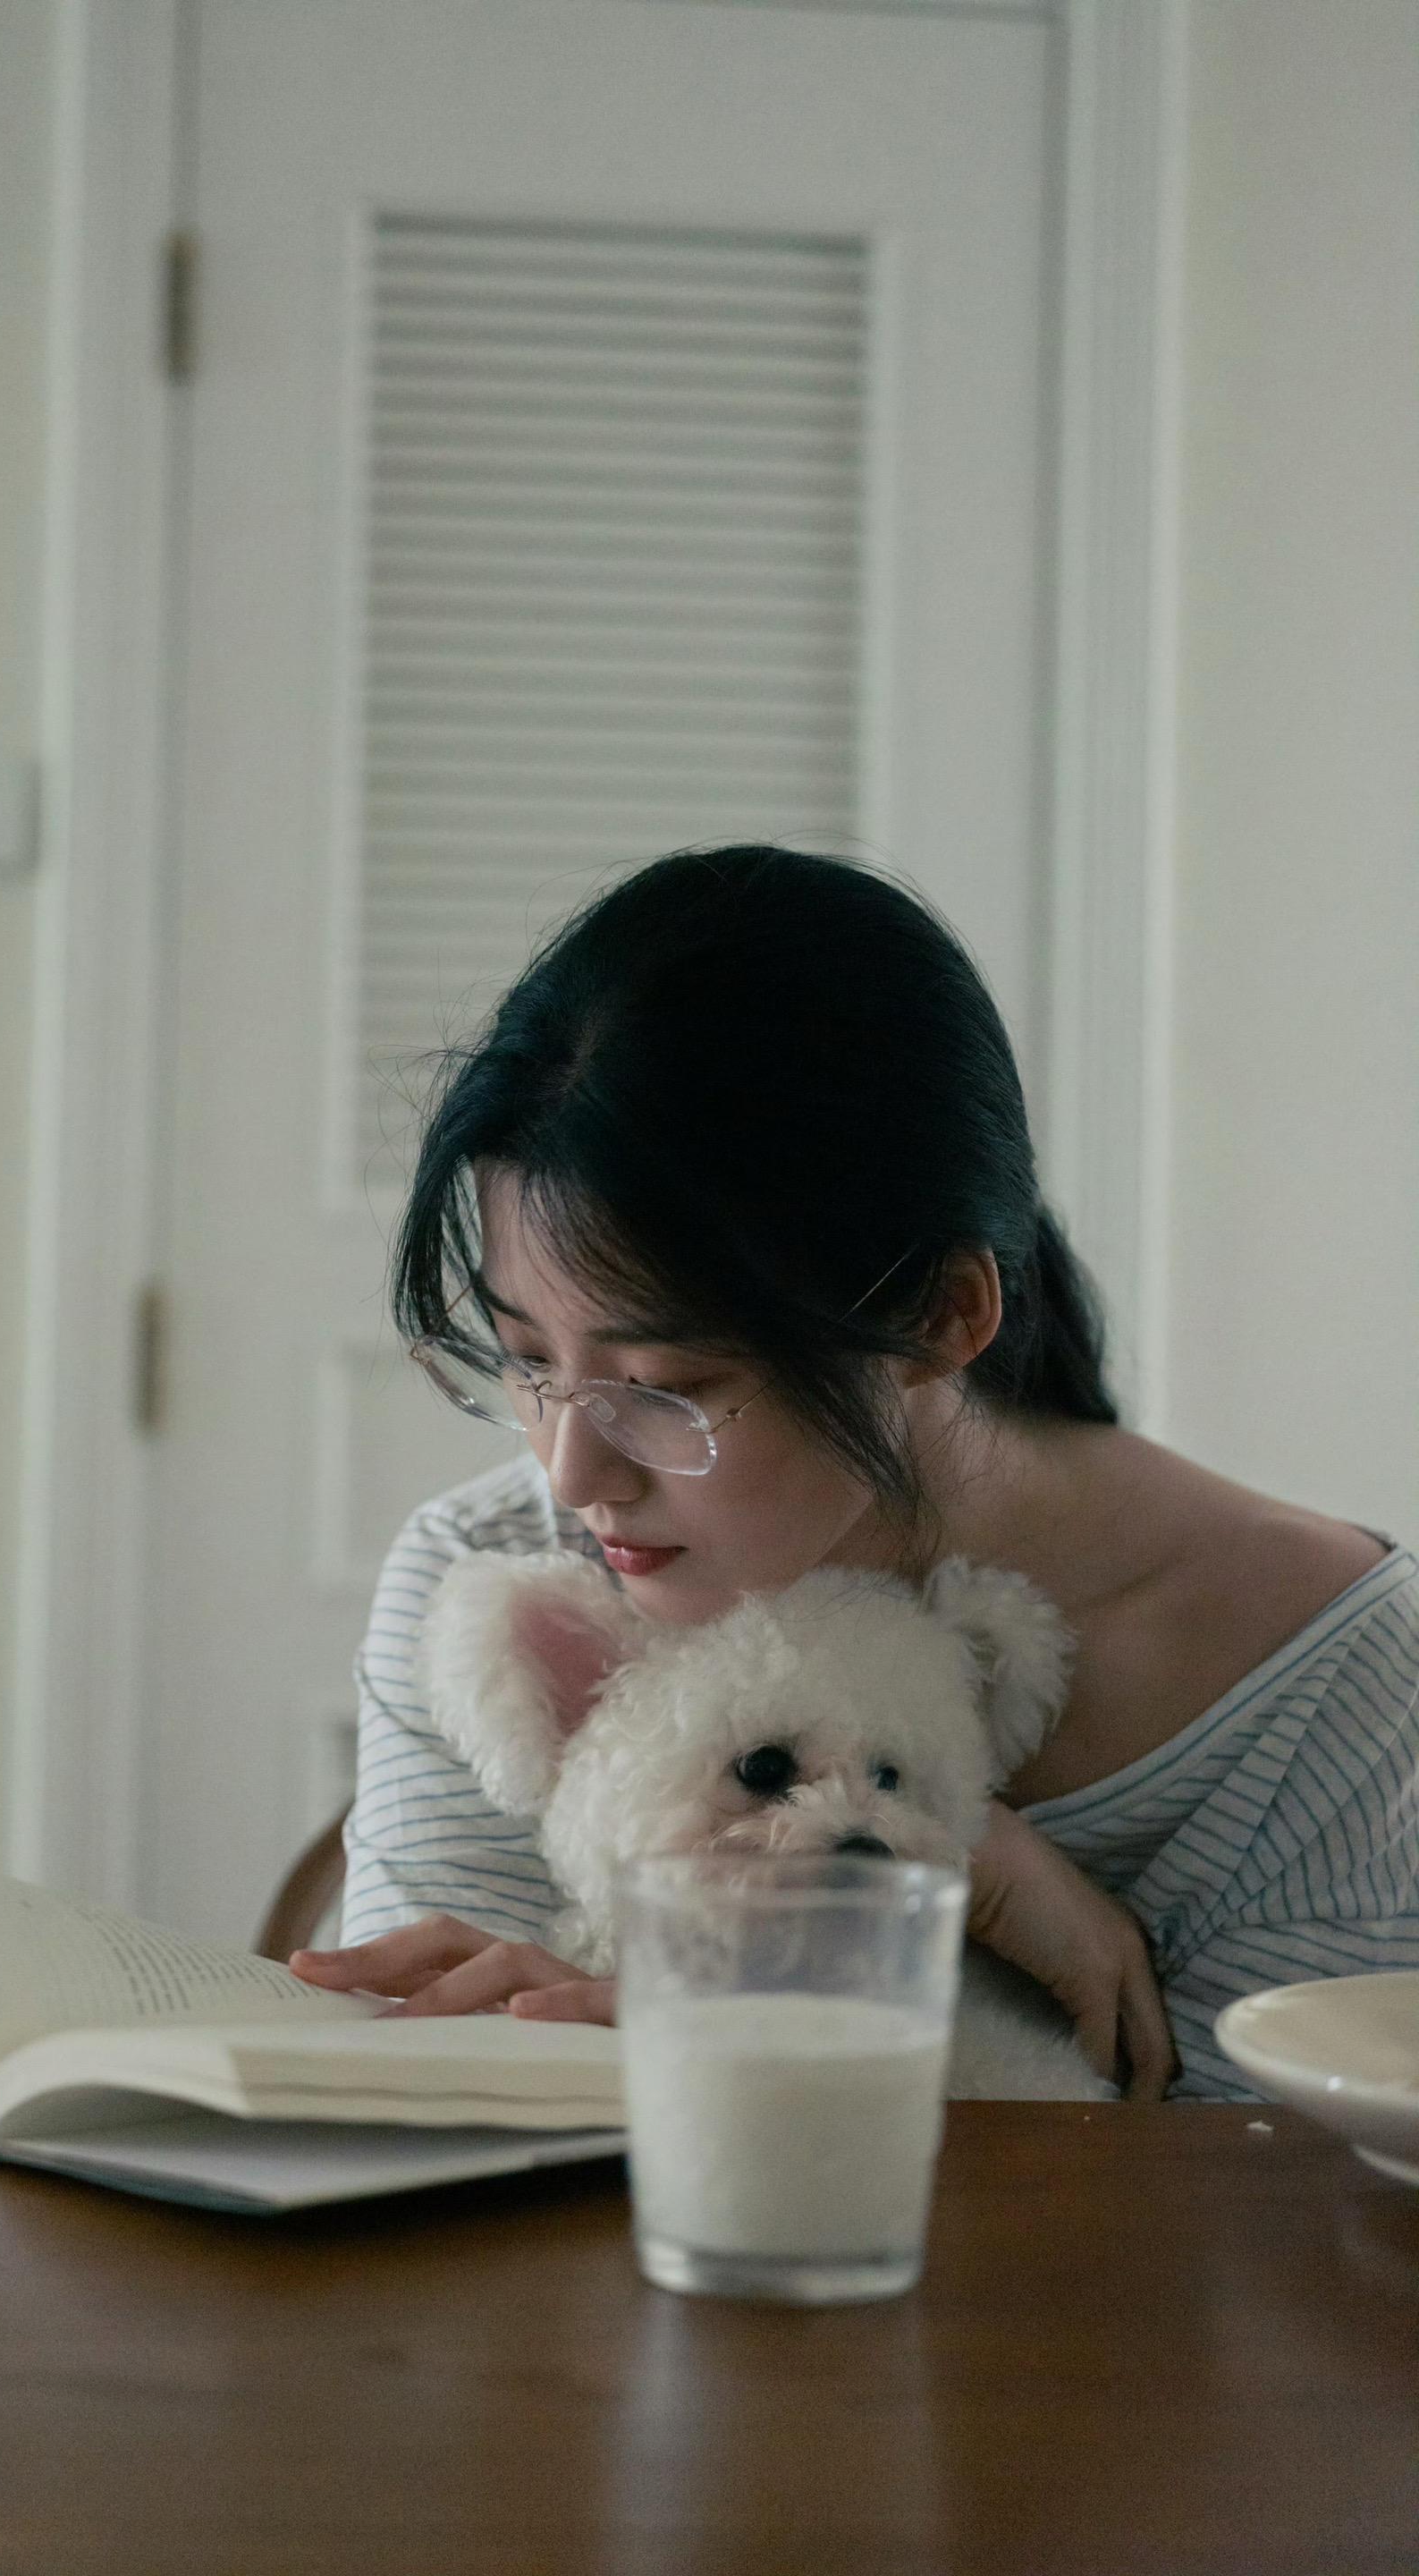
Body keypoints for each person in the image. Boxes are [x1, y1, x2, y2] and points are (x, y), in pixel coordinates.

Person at [291, 847, 1418, 2097]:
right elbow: (434, 2108)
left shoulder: (1324, 1684)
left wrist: (818, 1944)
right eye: (524, 1359)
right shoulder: (496, 1583)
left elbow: (1298, 2210)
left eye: (667, 1385)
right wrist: (928, 1864)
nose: (570, 1476)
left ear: (941, 1316)